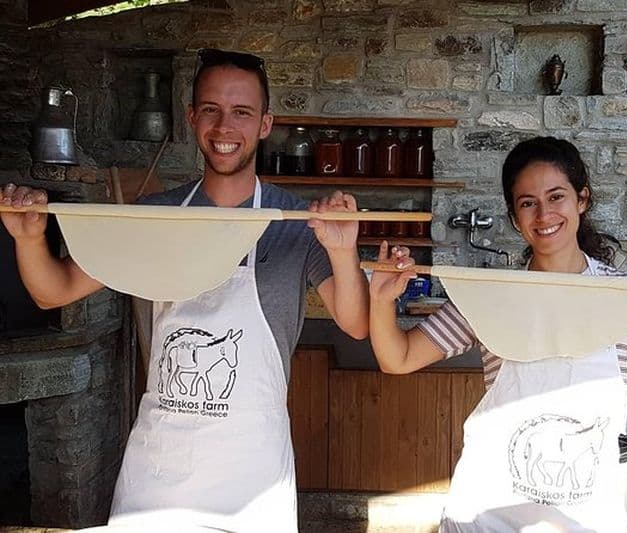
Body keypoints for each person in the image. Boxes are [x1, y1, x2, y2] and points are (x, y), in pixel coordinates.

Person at [0, 49, 369, 531]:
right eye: (211, 109)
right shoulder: (157, 216)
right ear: (192, 117)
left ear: (264, 124)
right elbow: (56, 291)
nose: (223, 126)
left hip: (252, 471)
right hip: (160, 467)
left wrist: (343, 251)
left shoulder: (293, 222)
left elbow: (357, 323)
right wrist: (28, 238)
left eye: (241, 112)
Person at [368, 137, 627, 533]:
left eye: (556, 196)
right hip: (486, 515)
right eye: (528, 203)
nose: (544, 214)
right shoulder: (490, 296)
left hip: (584, 518)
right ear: (514, 215)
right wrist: (383, 300)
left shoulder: (626, 296)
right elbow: (399, 358)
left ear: (582, 199)